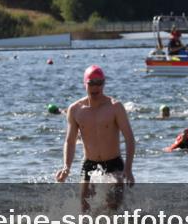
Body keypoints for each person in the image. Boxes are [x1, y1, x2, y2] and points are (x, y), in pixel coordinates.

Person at [55, 65, 136, 210]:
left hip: (114, 164)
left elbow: (129, 138)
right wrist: (66, 166)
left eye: (99, 82)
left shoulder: (115, 107)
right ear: (84, 84)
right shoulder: (75, 109)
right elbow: (70, 141)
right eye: (91, 83)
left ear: (104, 84)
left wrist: (128, 169)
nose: (95, 87)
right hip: (89, 164)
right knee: (84, 210)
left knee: (113, 206)